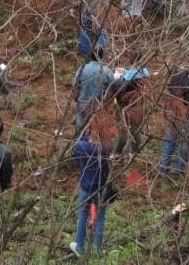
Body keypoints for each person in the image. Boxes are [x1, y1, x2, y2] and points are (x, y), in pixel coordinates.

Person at [69, 113, 114, 257]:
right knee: (100, 218)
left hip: (86, 187)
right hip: (101, 187)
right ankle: (97, 250)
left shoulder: (82, 146)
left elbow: (75, 150)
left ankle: (80, 247)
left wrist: (84, 133)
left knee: (82, 215)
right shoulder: (107, 146)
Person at [160, 68, 189, 175]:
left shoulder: (173, 77)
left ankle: (163, 168)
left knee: (170, 140)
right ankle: (179, 170)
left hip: (173, 112)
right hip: (186, 114)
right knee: (184, 143)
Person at [72, 47, 114, 134]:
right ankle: (89, 143)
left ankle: (77, 143)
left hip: (82, 102)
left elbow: (76, 84)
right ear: (102, 56)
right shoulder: (106, 71)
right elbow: (112, 88)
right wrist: (107, 103)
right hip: (97, 104)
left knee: (80, 124)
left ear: (90, 56)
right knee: (94, 127)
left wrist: (75, 96)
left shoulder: (82, 68)